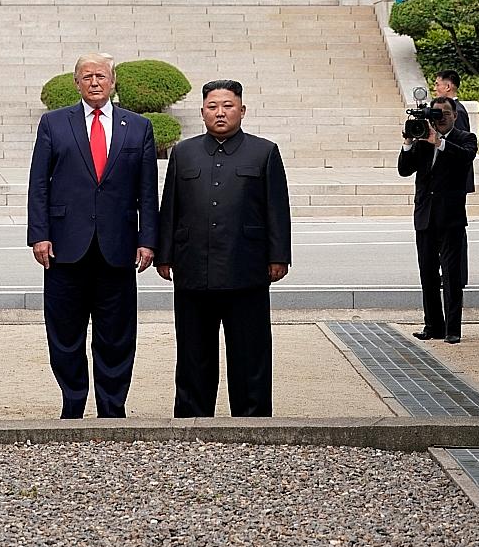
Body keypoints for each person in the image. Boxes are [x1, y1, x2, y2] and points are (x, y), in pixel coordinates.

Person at [27, 54, 158, 419]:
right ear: (76, 83)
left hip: (118, 248)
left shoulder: (138, 127)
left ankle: (112, 407)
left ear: (114, 81)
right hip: (64, 248)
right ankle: (72, 402)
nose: (95, 82)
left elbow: (148, 190)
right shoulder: (54, 123)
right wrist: (40, 234)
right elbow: (39, 184)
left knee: (116, 334)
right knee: (64, 333)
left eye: (101, 75)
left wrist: (147, 239)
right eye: (87, 77)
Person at [155, 80, 291, 417]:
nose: (220, 112)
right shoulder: (184, 153)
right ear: (202, 112)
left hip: (246, 268)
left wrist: (279, 255)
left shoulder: (264, 151)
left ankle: (253, 418)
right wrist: (165, 253)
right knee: (192, 350)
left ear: (241, 111)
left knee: (250, 351)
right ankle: (192, 416)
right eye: (213, 106)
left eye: (228, 105)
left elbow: (276, 207)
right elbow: (170, 205)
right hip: (192, 268)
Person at [398, 95, 478, 344]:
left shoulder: (465, 139)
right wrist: (409, 142)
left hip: (451, 218)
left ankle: (453, 329)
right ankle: (433, 325)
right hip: (425, 217)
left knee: (452, 276)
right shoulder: (422, 140)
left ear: (455, 115)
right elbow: (404, 169)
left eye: (445, 113)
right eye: (436, 113)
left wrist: (440, 142)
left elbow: (465, 158)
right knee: (428, 274)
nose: (440, 118)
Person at [434, 69, 476, 193]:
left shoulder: (458, 111)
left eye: (437, 84)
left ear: (448, 87)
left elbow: (462, 146)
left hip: (455, 179)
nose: (435, 88)